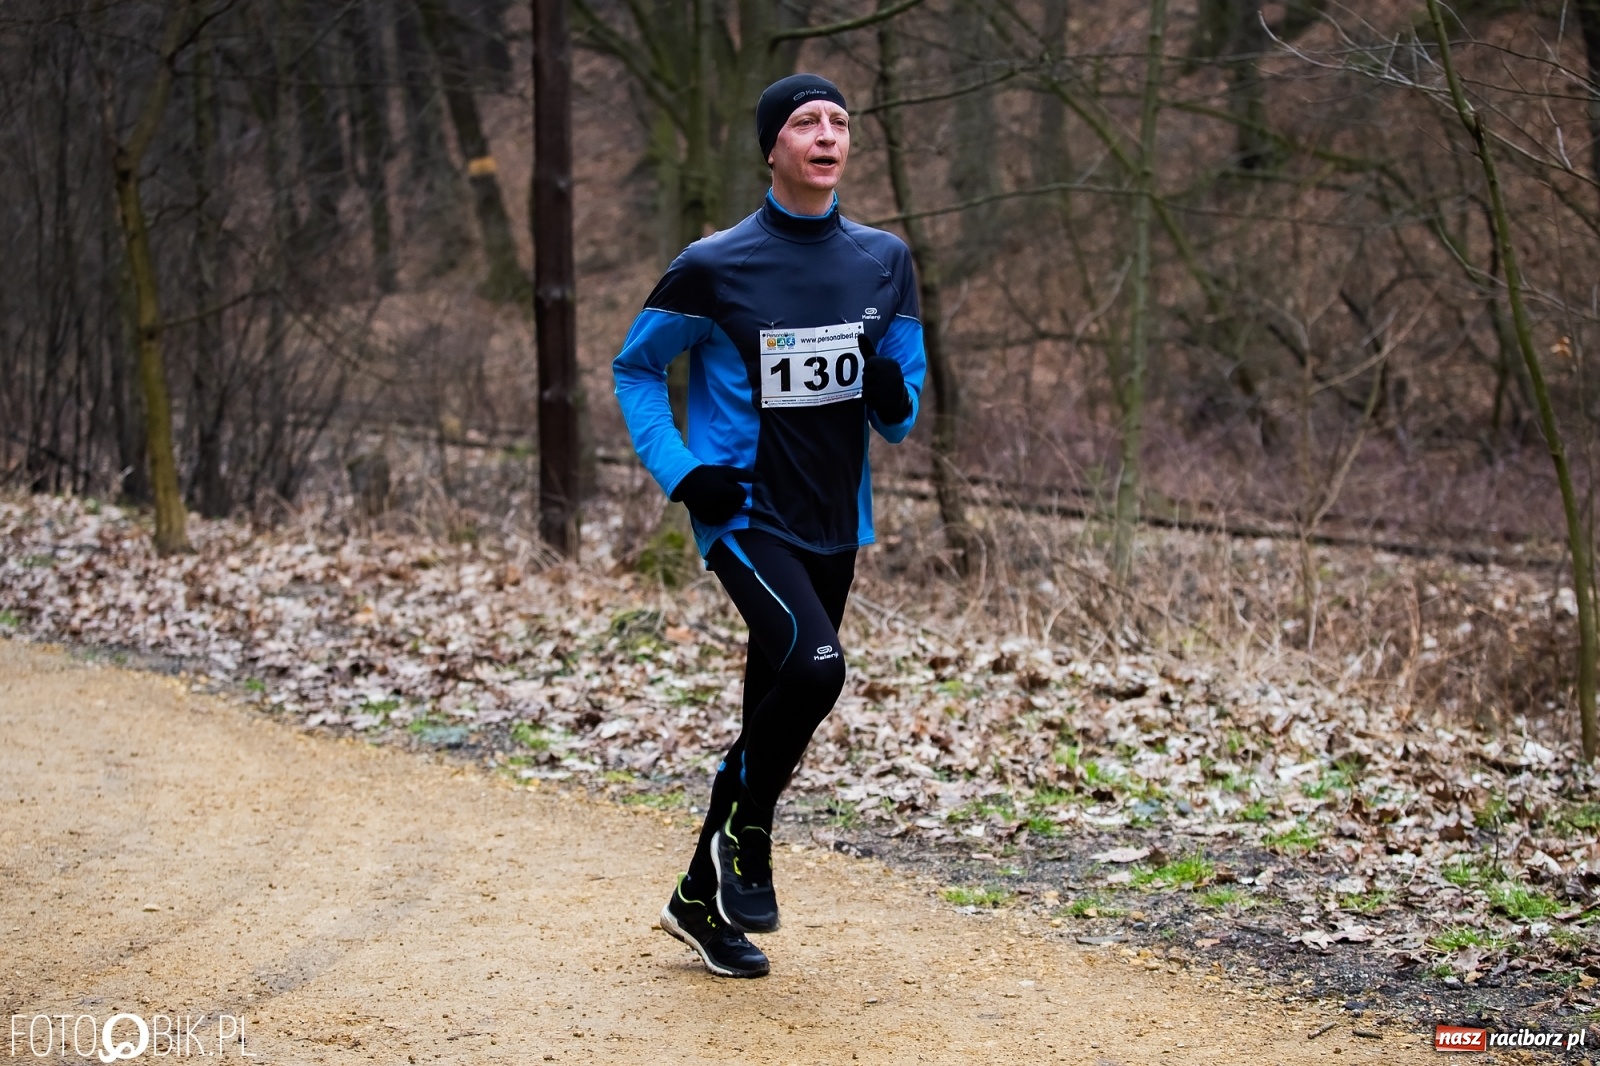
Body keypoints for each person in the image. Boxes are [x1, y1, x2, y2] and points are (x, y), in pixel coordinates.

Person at [612, 73, 927, 978]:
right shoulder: (715, 264)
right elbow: (636, 369)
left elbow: (901, 414)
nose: (827, 135)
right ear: (771, 147)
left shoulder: (884, 260)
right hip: (745, 513)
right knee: (818, 667)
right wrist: (682, 472)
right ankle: (749, 837)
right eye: (805, 122)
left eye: (839, 121)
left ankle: (696, 900)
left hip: (835, 519)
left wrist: (888, 391)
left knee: (773, 710)